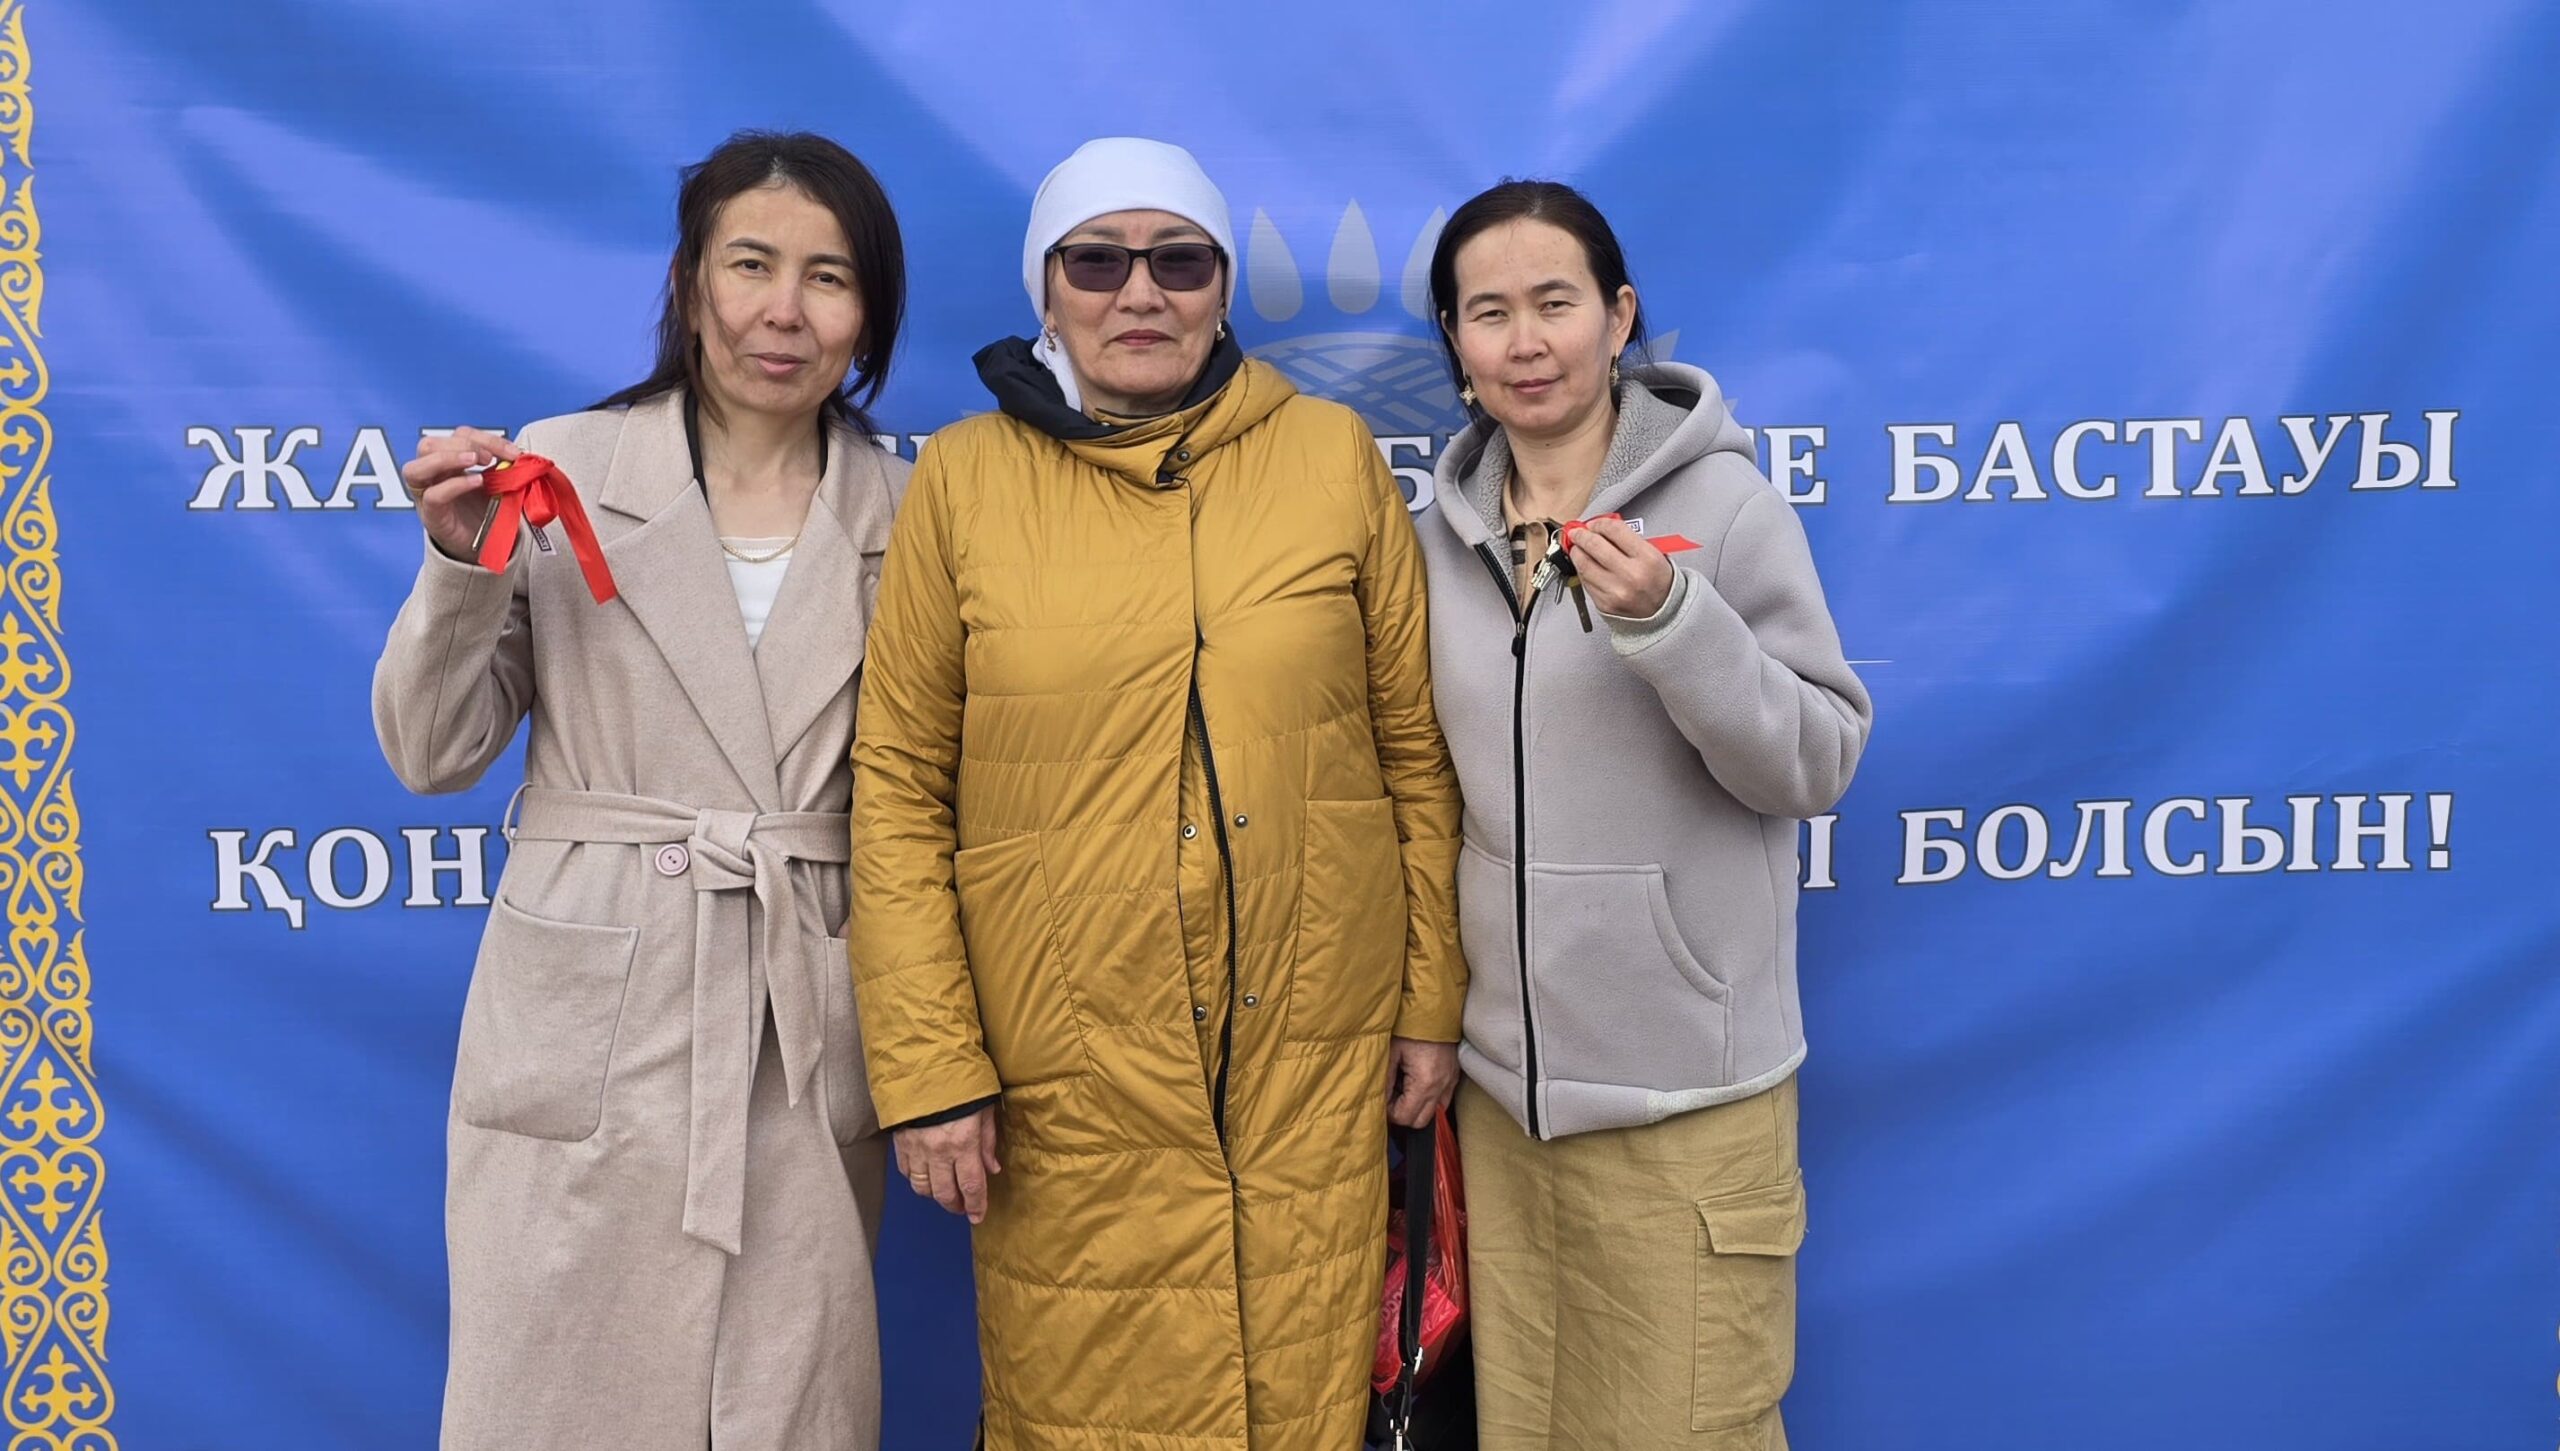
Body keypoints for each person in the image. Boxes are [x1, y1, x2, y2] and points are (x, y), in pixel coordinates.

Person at [848, 137, 1465, 1450]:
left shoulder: (1329, 455)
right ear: (1046, 288)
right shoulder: (964, 478)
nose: (1140, 292)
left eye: (1179, 261)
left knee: (1303, 1402)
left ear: (1222, 287)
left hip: (1310, 1059)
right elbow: (897, 786)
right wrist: (931, 1066)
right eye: (1097, 261)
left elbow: (1410, 751)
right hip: (1067, 1076)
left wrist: (1429, 998)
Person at [372, 130, 908, 1451]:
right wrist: (461, 566)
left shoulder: (919, 509)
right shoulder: (562, 469)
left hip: (796, 1009)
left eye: (829, 277)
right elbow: (432, 750)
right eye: (751, 264)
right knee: (560, 1395)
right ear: (687, 282)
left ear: (870, 313)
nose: (785, 311)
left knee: (788, 1398)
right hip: (593, 1013)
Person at [1415, 179, 1873, 1450]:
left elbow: (1818, 761)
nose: (1526, 341)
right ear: (1454, 340)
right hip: (1503, 1114)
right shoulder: (1431, 543)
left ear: (1618, 317)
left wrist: (1675, 626)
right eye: (1488, 311)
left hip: (1686, 1106)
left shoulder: (1726, 510)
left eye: (1555, 302)